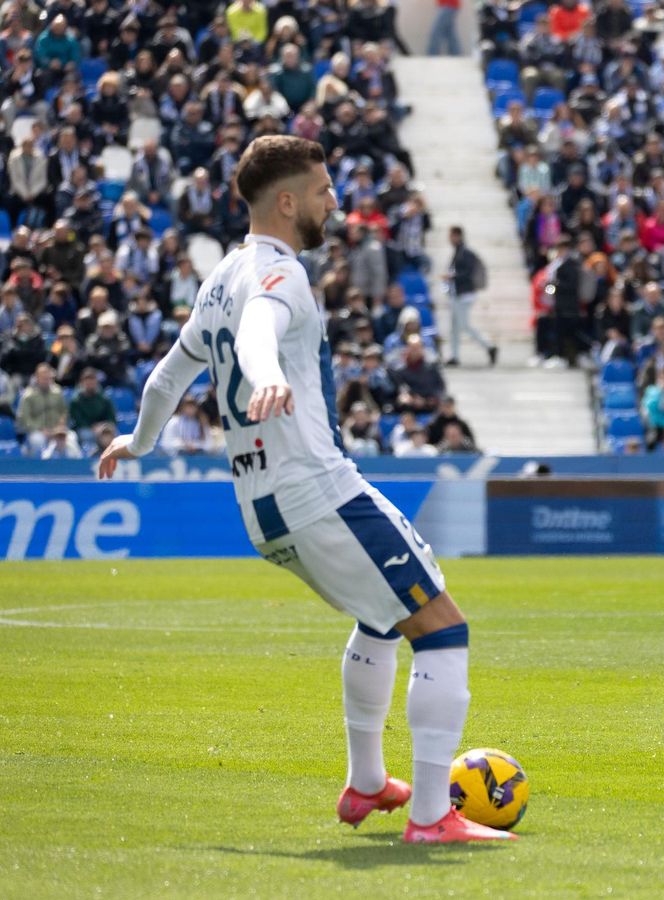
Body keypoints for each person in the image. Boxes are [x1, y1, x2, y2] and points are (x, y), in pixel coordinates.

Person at [96, 136, 512, 844]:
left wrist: (137, 442)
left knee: (382, 619)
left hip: (261, 510)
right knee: (442, 628)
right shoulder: (278, 276)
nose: (334, 202)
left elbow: (167, 376)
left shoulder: (219, 277)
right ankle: (432, 818)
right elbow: (260, 331)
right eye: (323, 190)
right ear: (286, 202)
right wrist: (266, 376)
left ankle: (368, 784)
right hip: (317, 489)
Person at [442, 226, 498, 367]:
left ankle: (489, 346)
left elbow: (467, 273)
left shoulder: (465, 253)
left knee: (464, 325)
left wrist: (452, 276)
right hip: (457, 293)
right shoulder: (458, 252)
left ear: (458, 236)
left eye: (452, 236)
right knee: (454, 327)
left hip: (464, 294)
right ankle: (454, 355)